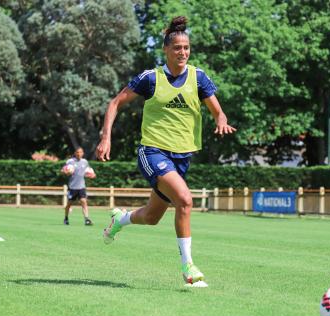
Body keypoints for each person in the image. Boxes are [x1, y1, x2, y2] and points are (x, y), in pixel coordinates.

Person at [96, 16, 236, 285]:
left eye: (186, 48)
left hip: (182, 158)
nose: (182, 52)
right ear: (166, 50)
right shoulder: (150, 78)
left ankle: (119, 220)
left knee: (151, 216)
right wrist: (106, 137)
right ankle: (188, 268)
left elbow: (217, 110)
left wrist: (221, 120)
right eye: (177, 48)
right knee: (185, 199)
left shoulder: (199, 77)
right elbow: (115, 103)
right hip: (153, 152)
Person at [61, 147, 96, 226]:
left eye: (80, 152)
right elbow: (63, 170)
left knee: (84, 201)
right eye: (77, 152)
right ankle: (66, 218)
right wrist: (65, 172)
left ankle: (87, 219)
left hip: (81, 186)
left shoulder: (85, 162)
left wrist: (92, 175)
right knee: (69, 204)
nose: (79, 154)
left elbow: (88, 171)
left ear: (83, 153)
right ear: (75, 153)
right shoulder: (70, 161)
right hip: (72, 187)